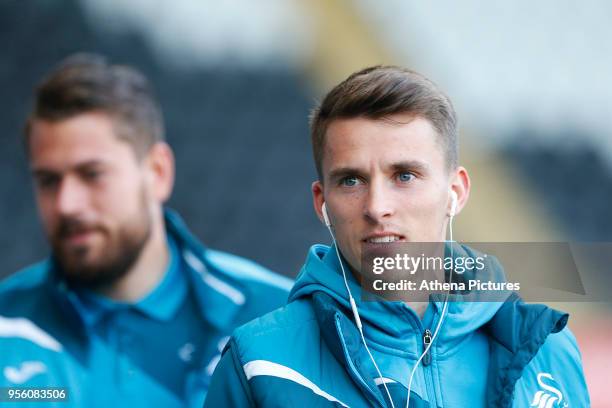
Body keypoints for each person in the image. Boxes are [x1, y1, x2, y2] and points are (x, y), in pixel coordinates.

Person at [204, 66, 590, 407]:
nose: (377, 206)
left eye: (405, 175)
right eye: (351, 180)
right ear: (322, 202)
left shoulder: (547, 349)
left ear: (455, 192)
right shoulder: (261, 361)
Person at [0, 53, 292, 408]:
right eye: (48, 181)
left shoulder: (277, 317)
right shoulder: (7, 326)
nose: (67, 204)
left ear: (157, 172)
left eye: (92, 175)